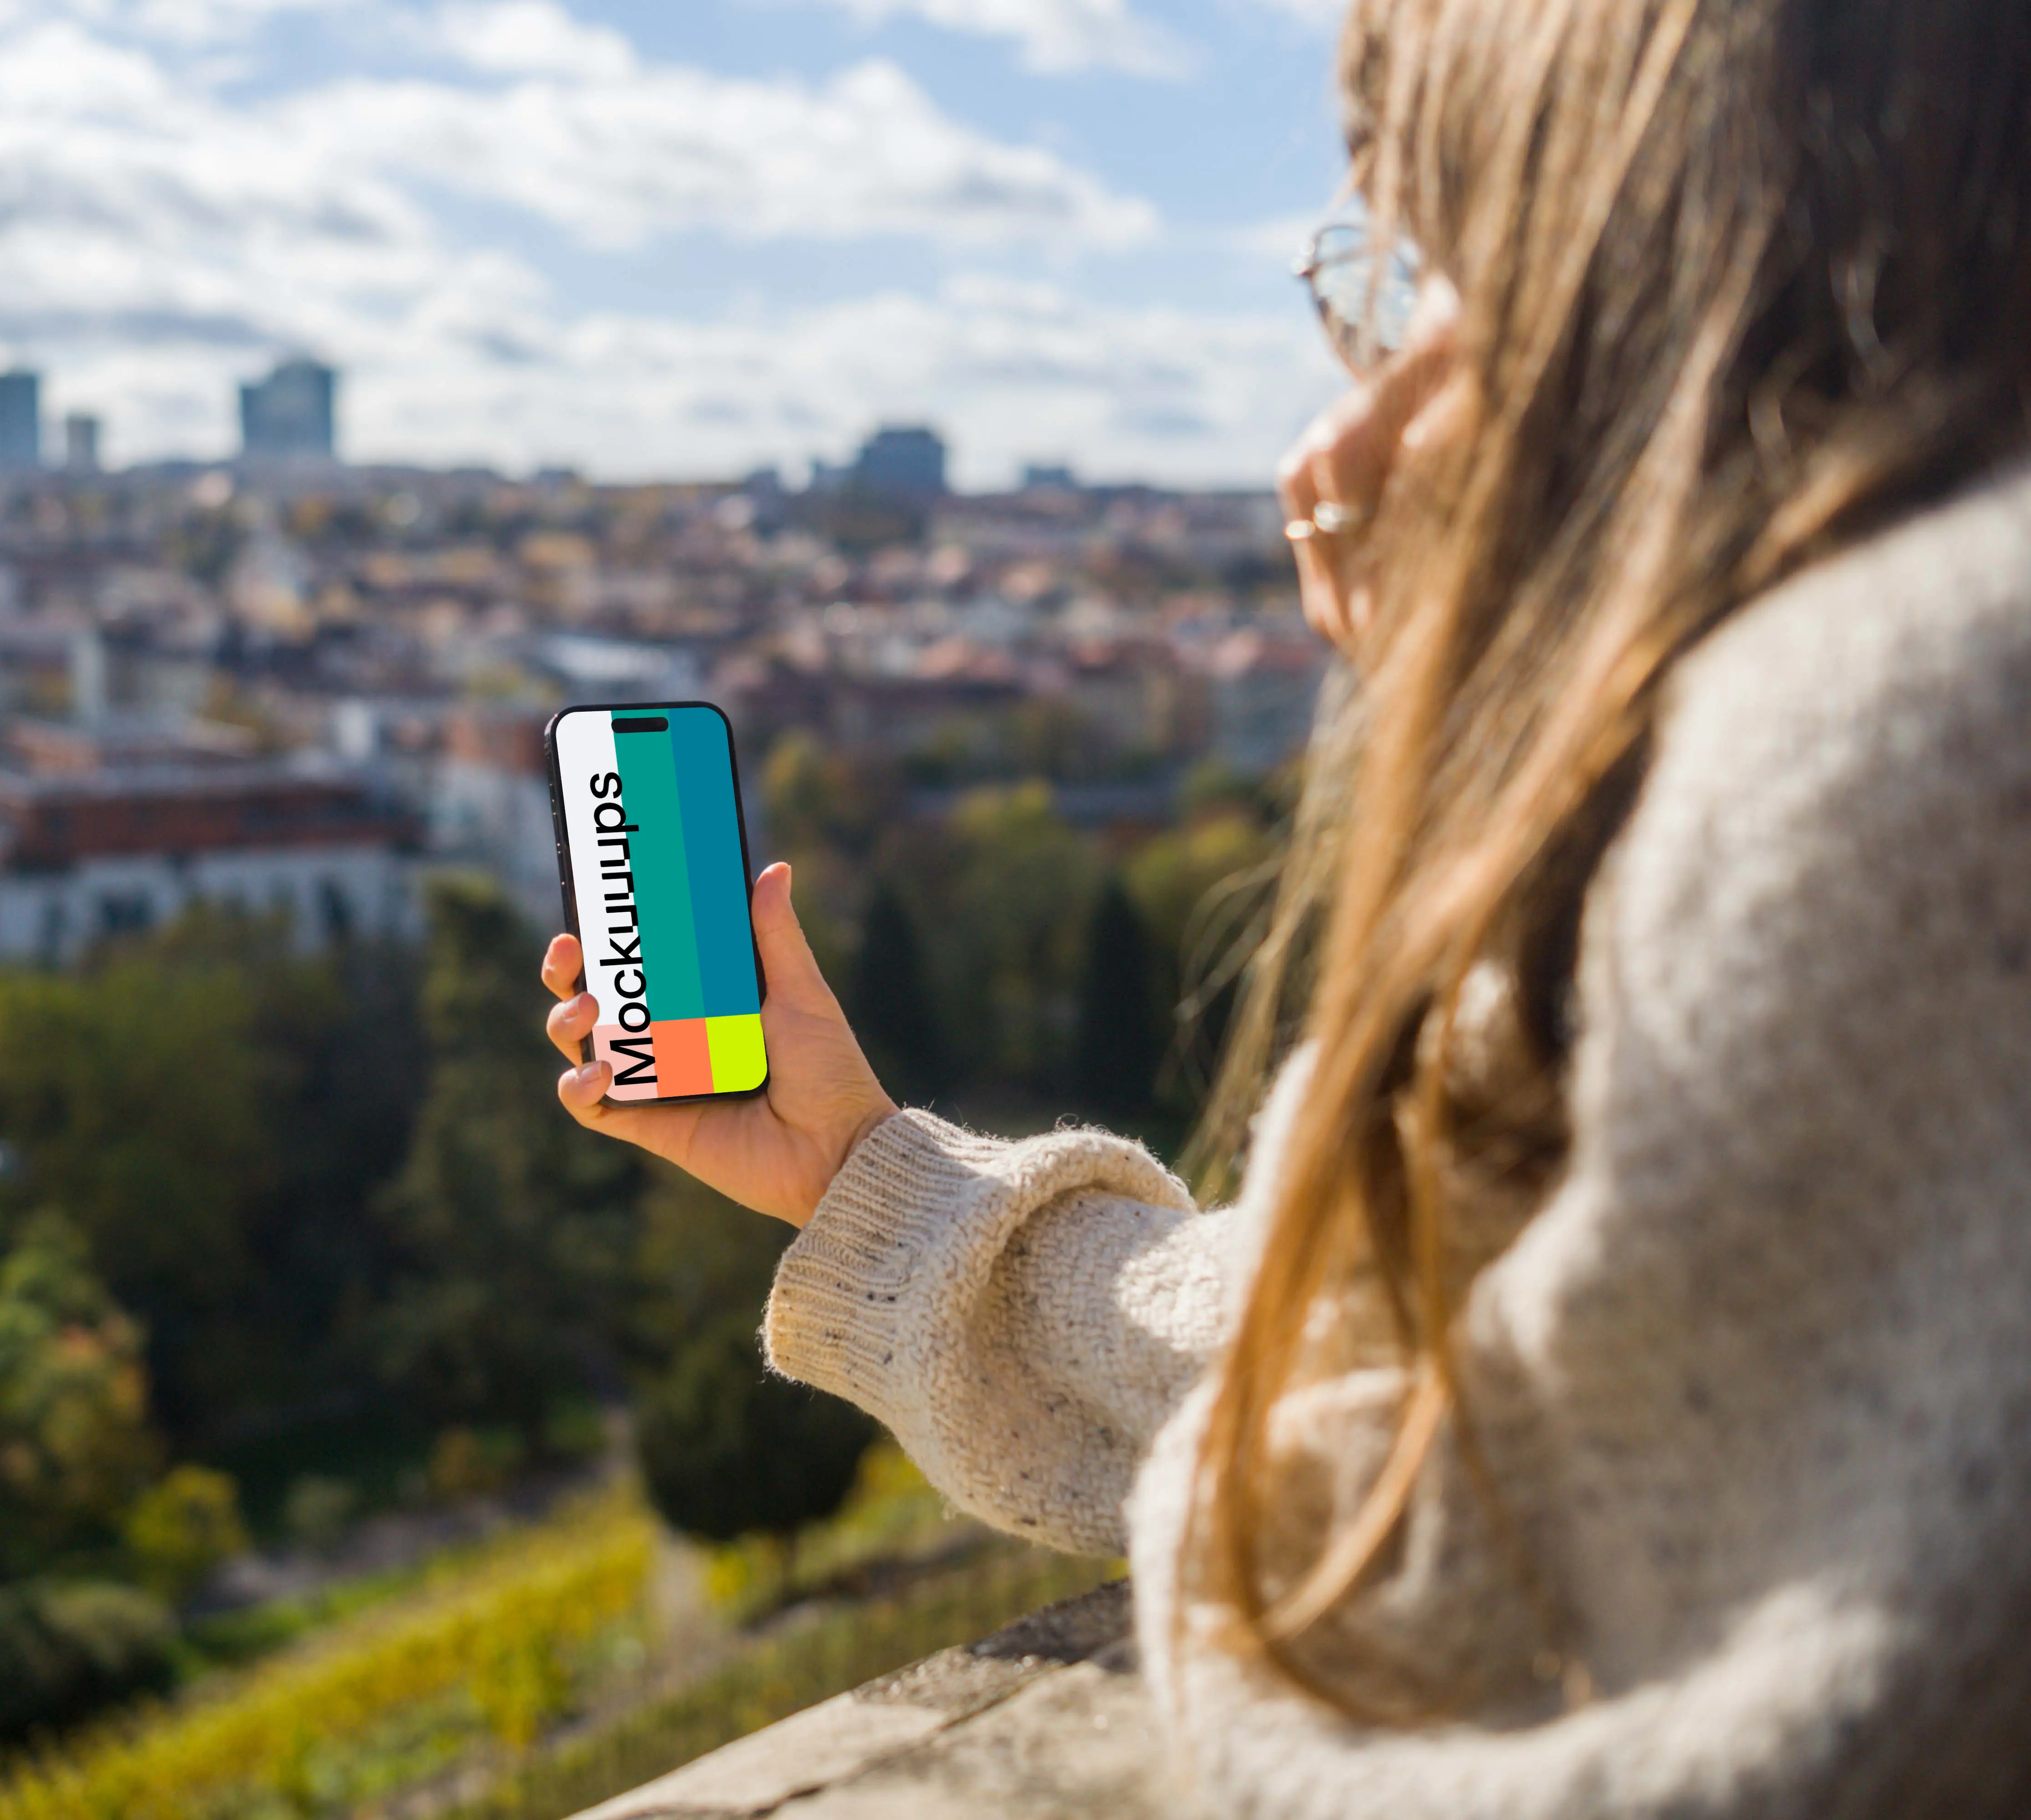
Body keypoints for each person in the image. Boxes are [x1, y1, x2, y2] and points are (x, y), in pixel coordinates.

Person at [540, 0, 2031, 1811]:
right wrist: (871, 1177)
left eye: (1445, 267)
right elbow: (1425, 1357)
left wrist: (1491, 716)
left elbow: (1426, 1608)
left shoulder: (1928, 726)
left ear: (1701, 265)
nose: (1351, 422)